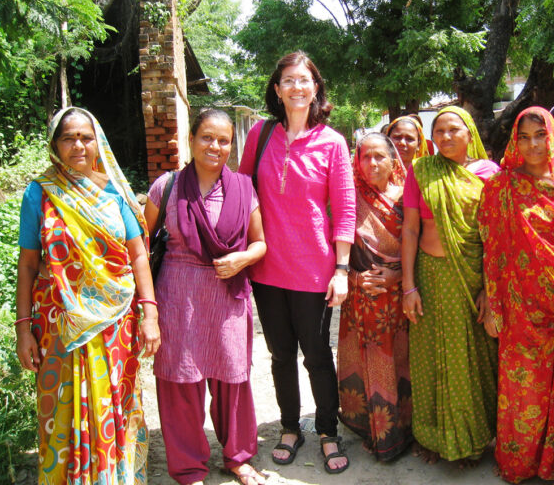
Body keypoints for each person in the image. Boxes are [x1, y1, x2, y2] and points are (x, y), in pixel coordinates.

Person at [15, 107, 160, 483]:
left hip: (115, 324)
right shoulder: (40, 194)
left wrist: (150, 314)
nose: (78, 145)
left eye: (85, 136)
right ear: (55, 145)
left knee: (116, 404)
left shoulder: (114, 192)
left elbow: (138, 254)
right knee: (63, 408)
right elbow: (29, 264)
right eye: (68, 138)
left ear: (99, 142)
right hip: (58, 323)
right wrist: (22, 329)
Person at [238, 51, 355, 474]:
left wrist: (341, 270)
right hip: (267, 270)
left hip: (314, 270)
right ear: (277, 89)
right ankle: (291, 427)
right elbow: (241, 194)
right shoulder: (260, 135)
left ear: (316, 88)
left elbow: (344, 208)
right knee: (280, 354)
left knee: (318, 356)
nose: (296, 87)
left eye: (304, 80)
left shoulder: (333, 143)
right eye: (288, 80)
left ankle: (327, 431)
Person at [145, 109, 267, 485]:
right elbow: (139, 244)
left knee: (232, 377)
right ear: (191, 140)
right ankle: (188, 467)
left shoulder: (244, 188)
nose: (215, 146)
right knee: (180, 382)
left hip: (226, 296)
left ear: (233, 145)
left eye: (224, 140)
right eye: (207, 138)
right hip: (176, 297)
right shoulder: (166, 187)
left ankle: (238, 458)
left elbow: (261, 243)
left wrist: (243, 257)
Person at [479, 106, 554, 484]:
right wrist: (493, 306)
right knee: (524, 391)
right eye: (523, 137)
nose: (532, 145)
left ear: (552, 137)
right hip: (519, 310)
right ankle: (523, 462)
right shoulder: (501, 186)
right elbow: (492, 250)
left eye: (540, 135)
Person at [401, 105, 498, 466]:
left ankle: (471, 438)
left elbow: (496, 238)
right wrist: (408, 287)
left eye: (453, 129)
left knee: (472, 359)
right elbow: (410, 230)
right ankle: (435, 437)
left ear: (469, 131)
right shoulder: (421, 170)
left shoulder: (490, 174)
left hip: (472, 279)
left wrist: (491, 289)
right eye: (438, 131)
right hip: (429, 276)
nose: (444, 137)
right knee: (429, 357)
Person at [338, 132, 412, 461]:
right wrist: (354, 278)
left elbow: (419, 246)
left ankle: (402, 431)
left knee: (400, 362)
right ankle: (373, 430)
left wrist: (398, 276)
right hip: (360, 299)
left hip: (397, 301)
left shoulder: (406, 197)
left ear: (393, 162)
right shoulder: (347, 198)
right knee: (366, 363)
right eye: (365, 157)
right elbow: (333, 248)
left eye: (379, 156)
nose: (372, 163)